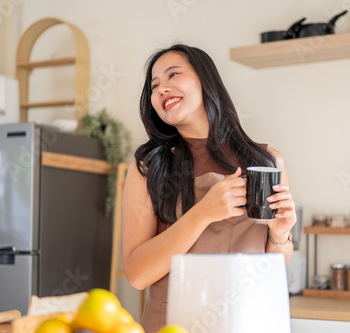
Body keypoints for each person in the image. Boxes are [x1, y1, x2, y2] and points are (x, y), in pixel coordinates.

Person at [121, 44, 296, 332]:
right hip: (173, 324)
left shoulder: (267, 162)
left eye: (173, 75)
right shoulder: (149, 168)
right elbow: (138, 274)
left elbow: (272, 261)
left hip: (248, 320)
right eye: (154, 86)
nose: (161, 89)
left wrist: (280, 235)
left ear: (205, 80)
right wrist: (203, 213)